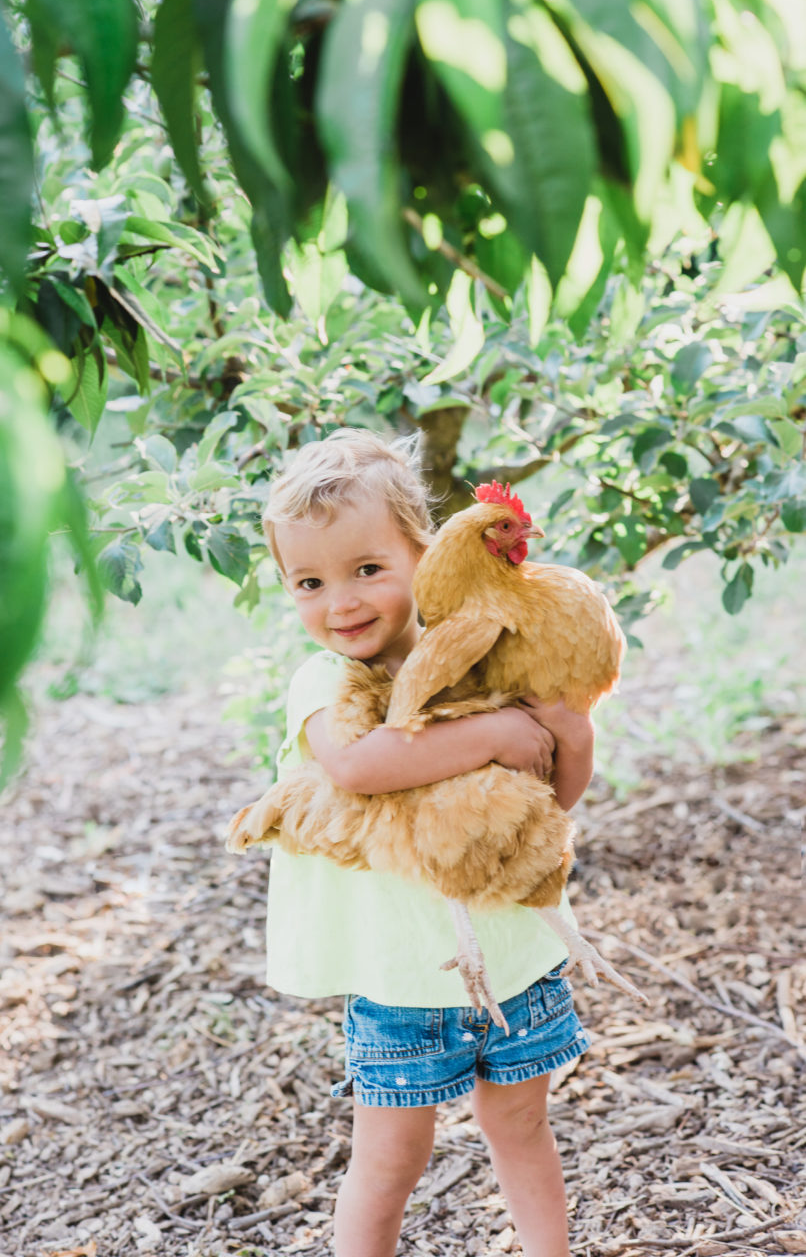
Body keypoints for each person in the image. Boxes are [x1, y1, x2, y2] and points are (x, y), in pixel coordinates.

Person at [259, 429, 595, 1257]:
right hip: (397, 978)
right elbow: (360, 764)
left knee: (520, 1125)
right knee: (390, 1160)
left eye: (367, 569)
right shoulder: (326, 682)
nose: (340, 602)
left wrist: (562, 723)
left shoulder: (487, 661)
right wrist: (495, 735)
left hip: (514, 958)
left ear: (425, 553)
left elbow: (557, 791)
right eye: (309, 581)